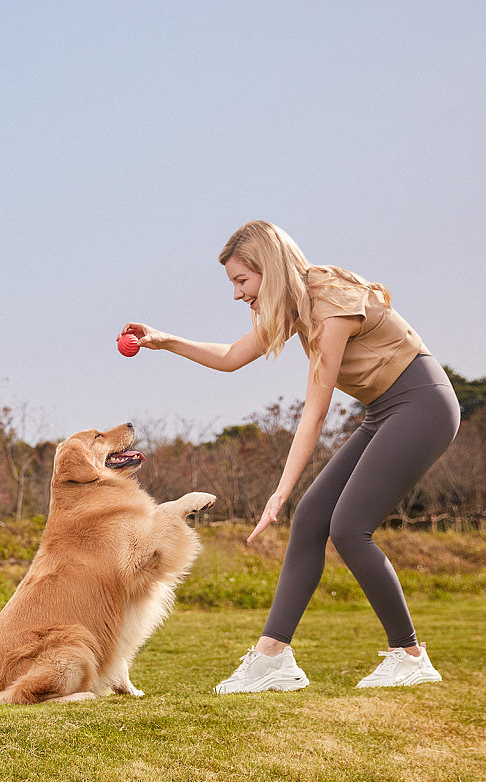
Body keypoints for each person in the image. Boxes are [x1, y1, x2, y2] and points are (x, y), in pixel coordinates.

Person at [121, 220, 459, 693]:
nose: (238, 295)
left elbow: (315, 413)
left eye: (242, 281)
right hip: (384, 410)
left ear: (270, 269)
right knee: (311, 520)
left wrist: (279, 493)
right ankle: (273, 659)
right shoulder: (293, 308)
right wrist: (166, 340)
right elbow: (231, 356)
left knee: (348, 528)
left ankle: (410, 655)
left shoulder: (331, 305)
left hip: (422, 405)